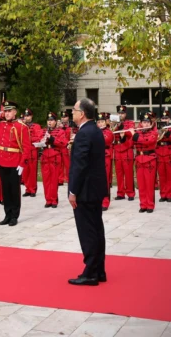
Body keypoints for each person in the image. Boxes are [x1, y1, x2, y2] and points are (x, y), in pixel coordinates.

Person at [67, 99, 107, 286]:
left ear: (82, 113)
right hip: (95, 189)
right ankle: (99, 270)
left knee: (88, 232)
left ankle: (90, 272)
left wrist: (73, 191)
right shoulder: (95, 130)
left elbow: (79, 166)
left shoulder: (84, 134)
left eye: (74, 110)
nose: (72, 113)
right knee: (97, 230)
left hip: (86, 191)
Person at [0, 101, 32, 226]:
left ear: (15, 112)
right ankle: (7, 214)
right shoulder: (0, 125)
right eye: (5, 111)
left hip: (15, 161)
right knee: (5, 189)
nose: (7, 113)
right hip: (2, 160)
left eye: (10, 111)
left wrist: (22, 164)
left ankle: (14, 215)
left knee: (14, 190)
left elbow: (27, 148)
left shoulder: (22, 127)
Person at [127, 112, 157, 213]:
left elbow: (147, 141)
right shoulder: (137, 133)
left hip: (149, 160)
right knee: (141, 184)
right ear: (141, 123)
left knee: (149, 184)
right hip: (139, 159)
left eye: (148, 122)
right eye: (144, 122)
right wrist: (125, 135)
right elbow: (130, 144)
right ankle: (143, 204)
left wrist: (134, 135)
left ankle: (150, 205)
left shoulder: (153, 132)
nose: (146, 124)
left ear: (151, 124)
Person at [40, 112, 67, 208]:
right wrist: (41, 142)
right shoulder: (43, 131)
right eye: (48, 120)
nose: (49, 122)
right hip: (45, 157)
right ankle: (48, 200)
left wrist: (51, 138)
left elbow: (63, 143)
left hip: (55, 157)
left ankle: (54, 200)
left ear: (55, 122)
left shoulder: (60, 131)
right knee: (46, 180)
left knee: (54, 180)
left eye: (51, 120)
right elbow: (37, 140)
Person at [113, 105, 135, 201]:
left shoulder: (130, 123)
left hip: (127, 149)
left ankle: (130, 193)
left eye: (122, 113)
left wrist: (123, 130)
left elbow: (131, 134)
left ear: (125, 114)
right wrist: (115, 126)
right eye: (119, 113)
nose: (121, 115)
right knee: (119, 172)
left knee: (128, 172)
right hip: (117, 149)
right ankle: (120, 193)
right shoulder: (114, 123)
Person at [22, 108, 43, 197]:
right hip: (24, 151)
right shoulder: (22, 126)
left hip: (32, 151)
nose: (27, 117)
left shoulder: (36, 126)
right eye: (25, 116)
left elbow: (38, 137)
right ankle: (27, 189)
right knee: (25, 171)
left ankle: (33, 189)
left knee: (32, 171)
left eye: (28, 116)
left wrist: (28, 139)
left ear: (31, 116)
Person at [156, 110, 171, 203]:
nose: (165, 119)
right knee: (161, 175)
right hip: (160, 152)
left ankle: (169, 195)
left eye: (166, 118)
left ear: (169, 119)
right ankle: (163, 194)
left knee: (169, 175)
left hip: (169, 152)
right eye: (163, 118)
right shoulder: (157, 127)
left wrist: (168, 132)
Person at [97, 112, 114, 211]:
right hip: (95, 158)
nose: (100, 124)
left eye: (102, 121)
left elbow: (106, 140)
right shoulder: (95, 131)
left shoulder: (108, 132)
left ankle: (105, 202)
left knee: (105, 180)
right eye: (98, 122)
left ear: (105, 122)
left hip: (105, 156)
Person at [59, 109, 76, 185]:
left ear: (68, 117)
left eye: (65, 117)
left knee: (68, 163)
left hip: (68, 147)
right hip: (60, 146)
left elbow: (73, 135)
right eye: (62, 117)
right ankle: (60, 179)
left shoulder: (72, 125)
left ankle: (69, 179)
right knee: (60, 164)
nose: (63, 118)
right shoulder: (58, 125)